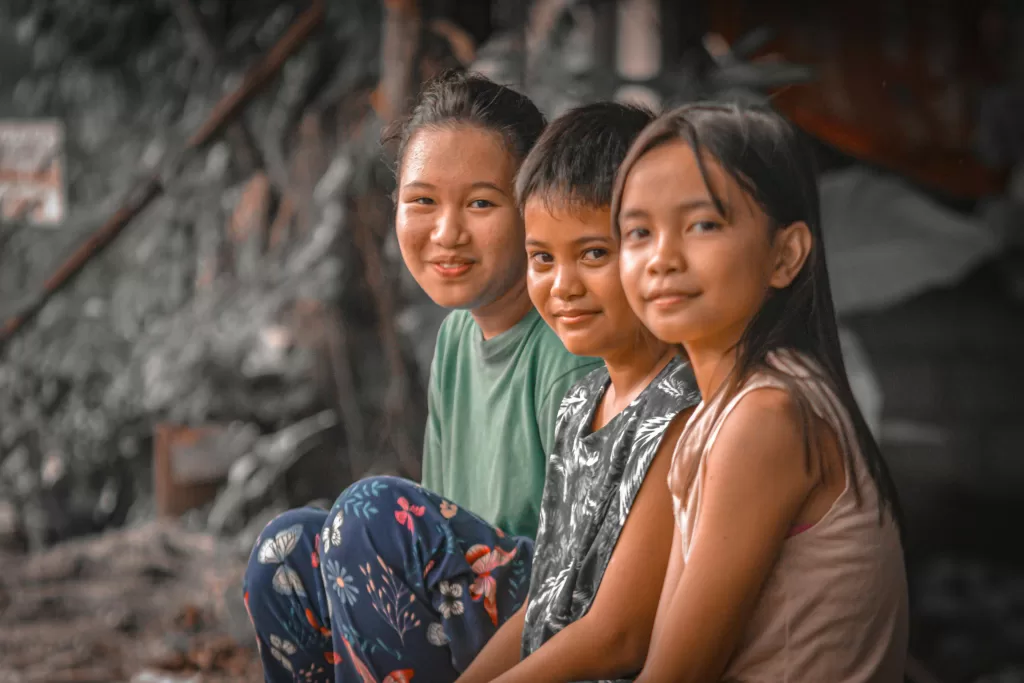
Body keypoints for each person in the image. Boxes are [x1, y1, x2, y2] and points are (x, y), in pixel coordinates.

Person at [242, 71, 600, 683]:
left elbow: (585, 584)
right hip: (473, 621)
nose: (446, 233)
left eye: (481, 202)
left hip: (552, 640)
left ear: (534, 207)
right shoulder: (459, 336)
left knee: (370, 513)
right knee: (288, 551)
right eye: (422, 201)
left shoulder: (574, 343)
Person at [611, 103, 909, 682]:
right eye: (638, 233)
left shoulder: (767, 415)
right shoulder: (722, 409)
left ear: (785, 255)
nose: (662, 260)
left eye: (703, 224)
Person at [453, 102, 700, 683]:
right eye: (541, 258)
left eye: (593, 254)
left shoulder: (682, 407)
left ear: (649, 249)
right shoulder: (578, 404)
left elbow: (617, 637)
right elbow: (543, 604)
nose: (562, 286)